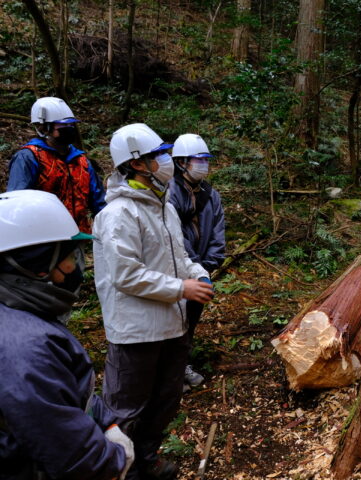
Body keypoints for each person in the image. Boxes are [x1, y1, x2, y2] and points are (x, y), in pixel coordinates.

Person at [93, 123, 214, 479]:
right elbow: (126, 275)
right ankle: (117, 471)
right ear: (136, 164)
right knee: (125, 409)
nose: (165, 160)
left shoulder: (164, 207)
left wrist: (199, 272)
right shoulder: (118, 215)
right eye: (157, 155)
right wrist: (182, 288)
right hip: (136, 331)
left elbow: (179, 257)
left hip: (171, 325)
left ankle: (145, 462)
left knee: (164, 402)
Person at [0, 189, 133, 480]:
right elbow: (68, 450)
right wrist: (114, 460)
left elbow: (63, 389)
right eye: (70, 257)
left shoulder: (24, 315)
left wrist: (106, 421)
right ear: (36, 268)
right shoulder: (24, 347)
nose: (78, 268)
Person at [168, 133, 226, 389]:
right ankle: (171, 373)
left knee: (191, 319)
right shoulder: (169, 193)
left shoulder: (210, 194)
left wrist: (211, 261)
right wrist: (191, 264)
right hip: (178, 268)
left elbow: (217, 228)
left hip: (202, 267)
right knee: (174, 319)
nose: (203, 164)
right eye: (197, 160)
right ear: (181, 162)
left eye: (205, 159)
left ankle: (181, 364)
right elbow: (175, 234)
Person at [7, 97, 106, 233]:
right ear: (44, 128)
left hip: (77, 237)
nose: (69, 129)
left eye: (71, 125)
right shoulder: (28, 157)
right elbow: (17, 203)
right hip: (42, 238)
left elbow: (99, 203)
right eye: (63, 126)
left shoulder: (81, 161)